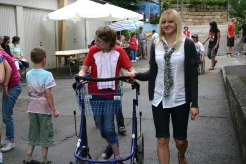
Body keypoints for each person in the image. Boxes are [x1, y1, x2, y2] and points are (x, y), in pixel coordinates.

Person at [125, 9, 199, 164]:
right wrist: (136, 75)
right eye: (164, 22)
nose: (167, 25)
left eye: (170, 21)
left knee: (180, 141)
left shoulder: (188, 44)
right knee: (162, 140)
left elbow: (193, 76)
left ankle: (181, 155)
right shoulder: (156, 44)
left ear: (177, 23)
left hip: (180, 98)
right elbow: (153, 72)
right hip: (159, 98)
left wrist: (194, 103)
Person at [78, 25, 135, 163]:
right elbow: (83, 69)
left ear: (108, 42)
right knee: (101, 128)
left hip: (112, 94)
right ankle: (110, 145)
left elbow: (131, 68)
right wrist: (80, 77)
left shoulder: (119, 52)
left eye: (98, 40)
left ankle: (117, 156)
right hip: (94, 93)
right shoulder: (93, 51)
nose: (95, 43)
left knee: (109, 128)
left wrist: (131, 74)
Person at [23, 47, 59, 164]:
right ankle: (44, 160)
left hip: (32, 107)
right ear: (44, 59)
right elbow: (48, 93)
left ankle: (28, 158)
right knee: (45, 132)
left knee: (33, 132)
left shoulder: (28, 74)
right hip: (43, 108)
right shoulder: (47, 74)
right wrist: (53, 109)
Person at [0, 41, 22, 152]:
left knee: (7, 115)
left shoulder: (1, 54)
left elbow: (8, 69)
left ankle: (11, 141)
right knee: (5, 114)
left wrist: (5, 86)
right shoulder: (2, 53)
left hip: (13, 86)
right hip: (11, 86)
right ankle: (8, 137)